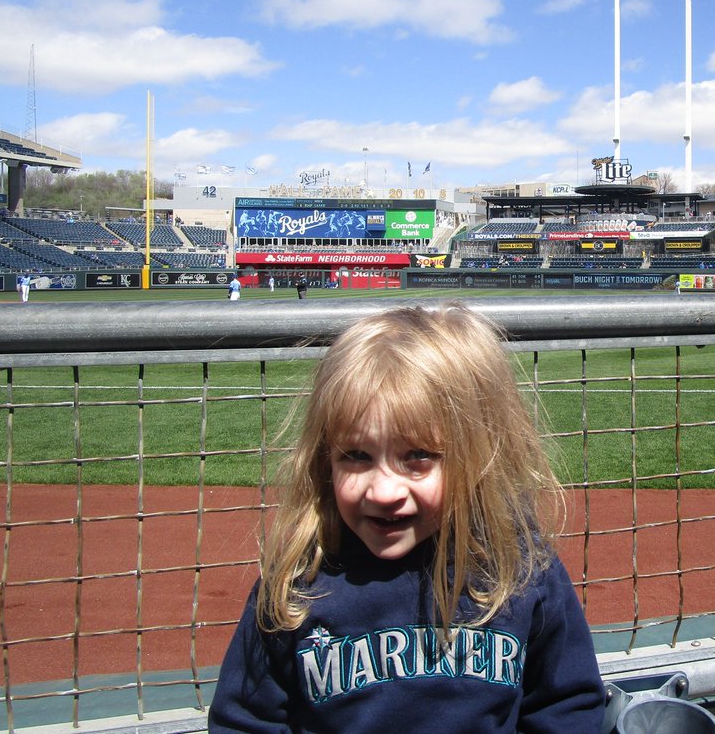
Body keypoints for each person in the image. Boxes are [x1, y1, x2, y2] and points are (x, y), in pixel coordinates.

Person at [209, 305, 605, 732]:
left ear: (480, 456)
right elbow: (244, 721)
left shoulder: (520, 570)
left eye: (418, 455)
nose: (384, 492)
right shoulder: (297, 583)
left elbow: (567, 706)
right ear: (325, 460)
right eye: (356, 455)